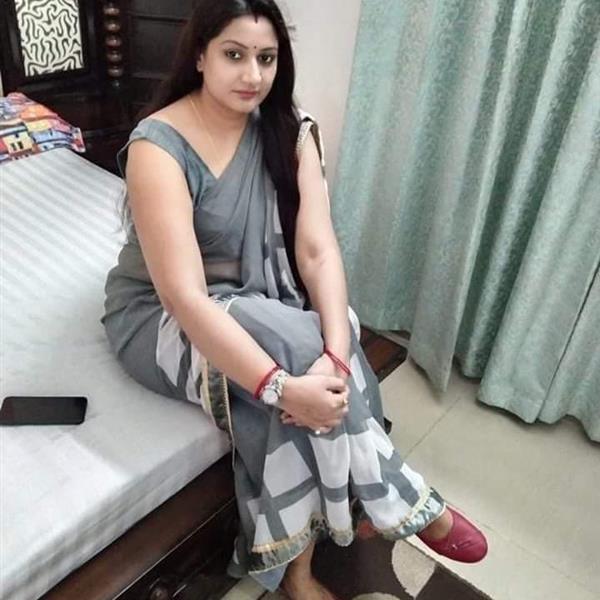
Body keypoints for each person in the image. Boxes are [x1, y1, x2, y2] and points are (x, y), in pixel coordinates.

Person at [101, 1, 488, 598]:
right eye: (234, 55)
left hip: (255, 293)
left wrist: (334, 358)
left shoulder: (290, 129)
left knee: (333, 332)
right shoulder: (159, 147)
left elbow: (317, 251)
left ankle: (296, 572)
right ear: (199, 56)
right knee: (292, 355)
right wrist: (283, 388)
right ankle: (394, 496)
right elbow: (184, 297)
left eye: (267, 58)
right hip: (161, 318)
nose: (252, 74)